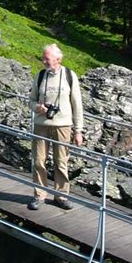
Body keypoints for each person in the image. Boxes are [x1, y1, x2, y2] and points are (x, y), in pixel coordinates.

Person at [28, 43, 84, 211]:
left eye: (47, 58)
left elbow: (77, 104)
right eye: (43, 58)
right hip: (41, 124)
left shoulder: (69, 76)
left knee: (61, 162)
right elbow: (31, 100)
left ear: (58, 59)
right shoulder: (39, 76)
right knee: (38, 161)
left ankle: (61, 196)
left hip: (63, 125)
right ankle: (40, 195)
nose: (44, 61)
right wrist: (37, 108)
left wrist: (78, 130)